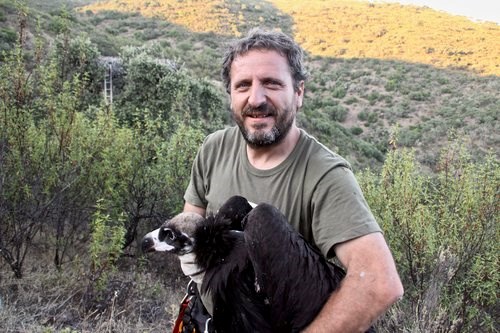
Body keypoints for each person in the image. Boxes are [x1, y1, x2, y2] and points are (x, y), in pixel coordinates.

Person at [182, 28, 404, 332]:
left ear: (298, 92)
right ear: (230, 94)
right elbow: (189, 227)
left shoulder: (325, 175)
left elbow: (379, 283)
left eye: (271, 84)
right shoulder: (214, 148)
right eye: (243, 85)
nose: (256, 99)